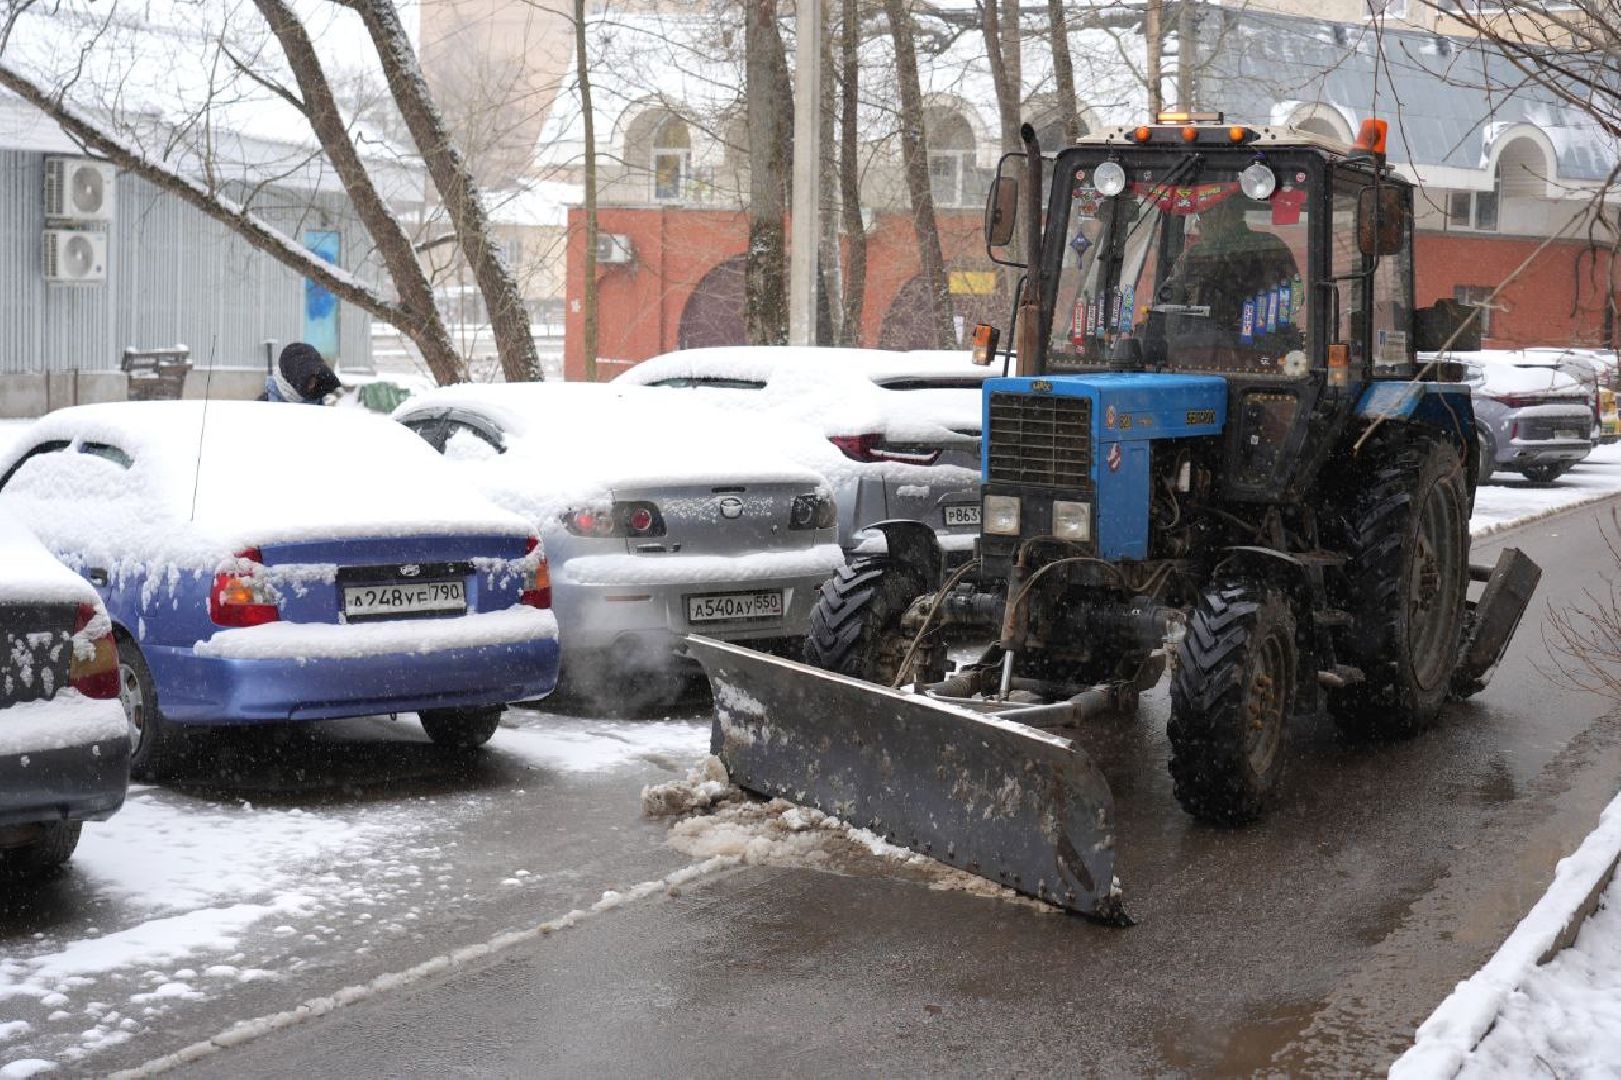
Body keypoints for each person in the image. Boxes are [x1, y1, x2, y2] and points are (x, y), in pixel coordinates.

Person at [261, 342, 343, 404]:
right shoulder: (262, 407)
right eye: (309, 380)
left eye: (316, 380)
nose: (313, 385)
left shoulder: (318, 402)